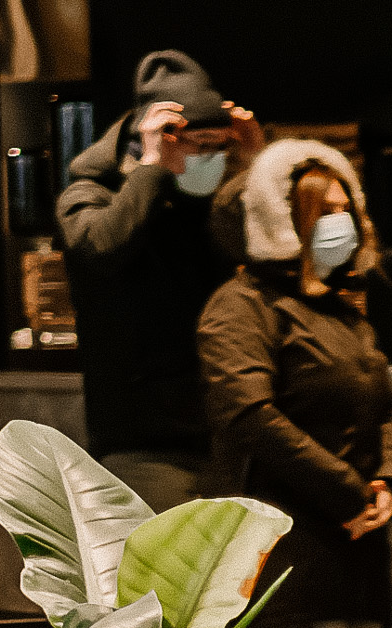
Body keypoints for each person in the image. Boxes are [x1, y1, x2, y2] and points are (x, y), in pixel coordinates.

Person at [203, 140, 392, 628]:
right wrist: (346, 489)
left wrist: (391, 481)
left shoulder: (343, 311)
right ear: (284, 221)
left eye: (347, 210)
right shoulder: (241, 305)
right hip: (289, 542)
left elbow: (385, 412)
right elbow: (249, 416)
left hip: (357, 539)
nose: (340, 223)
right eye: (325, 212)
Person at [58, 46, 259, 509]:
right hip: (142, 445)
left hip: (221, 437)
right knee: (160, 582)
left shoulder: (207, 207)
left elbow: (267, 254)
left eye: (218, 148)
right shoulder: (89, 193)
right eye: (198, 146)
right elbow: (103, 247)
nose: (210, 159)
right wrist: (152, 168)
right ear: (159, 138)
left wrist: (251, 163)